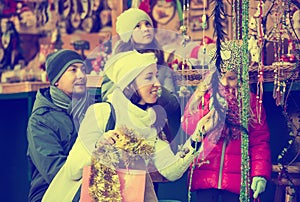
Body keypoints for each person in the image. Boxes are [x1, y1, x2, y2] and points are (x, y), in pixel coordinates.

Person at [42, 50, 203, 202]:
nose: (157, 84)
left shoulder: (149, 121)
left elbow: (171, 170)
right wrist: (100, 146)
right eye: (148, 77)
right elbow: (73, 168)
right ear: (129, 85)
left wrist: (199, 134)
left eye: (156, 76)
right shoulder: (102, 112)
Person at [181, 40, 272, 201]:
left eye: (231, 78)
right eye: (220, 76)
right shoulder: (204, 97)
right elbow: (188, 125)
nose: (224, 83)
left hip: (236, 182)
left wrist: (259, 173)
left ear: (241, 77)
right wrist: (207, 112)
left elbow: (259, 142)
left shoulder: (251, 103)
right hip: (205, 175)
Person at [101, 7, 180, 145]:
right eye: (137, 26)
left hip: (157, 131)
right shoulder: (118, 64)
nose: (145, 29)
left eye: (147, 24)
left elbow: (173, 104)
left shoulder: (160, 63)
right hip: (125, 131)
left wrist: (155, 89)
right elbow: (109, 96)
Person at [27, 49, 92, 202]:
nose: (81, 75)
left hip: (89, 188)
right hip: (51, 191)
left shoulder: (91, 109)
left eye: (83, 69)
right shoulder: (41, 120)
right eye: (73, 70)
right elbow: (55, 171)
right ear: (56, 79)